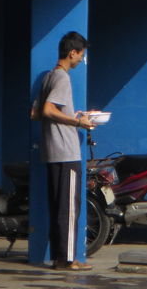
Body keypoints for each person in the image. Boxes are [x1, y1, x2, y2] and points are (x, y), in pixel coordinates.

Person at [31, 31, 93, 271]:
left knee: (58, 207)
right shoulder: (62, 78)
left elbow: (35, 113)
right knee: (69, 209)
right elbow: (47, 110)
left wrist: (68, 116)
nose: (80, 60)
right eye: (81, 56)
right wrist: (79, 123)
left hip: (51, 152)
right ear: (72, 53)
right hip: (66, 153)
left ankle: (60, 258)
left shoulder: (48, 77)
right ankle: (67, 260)